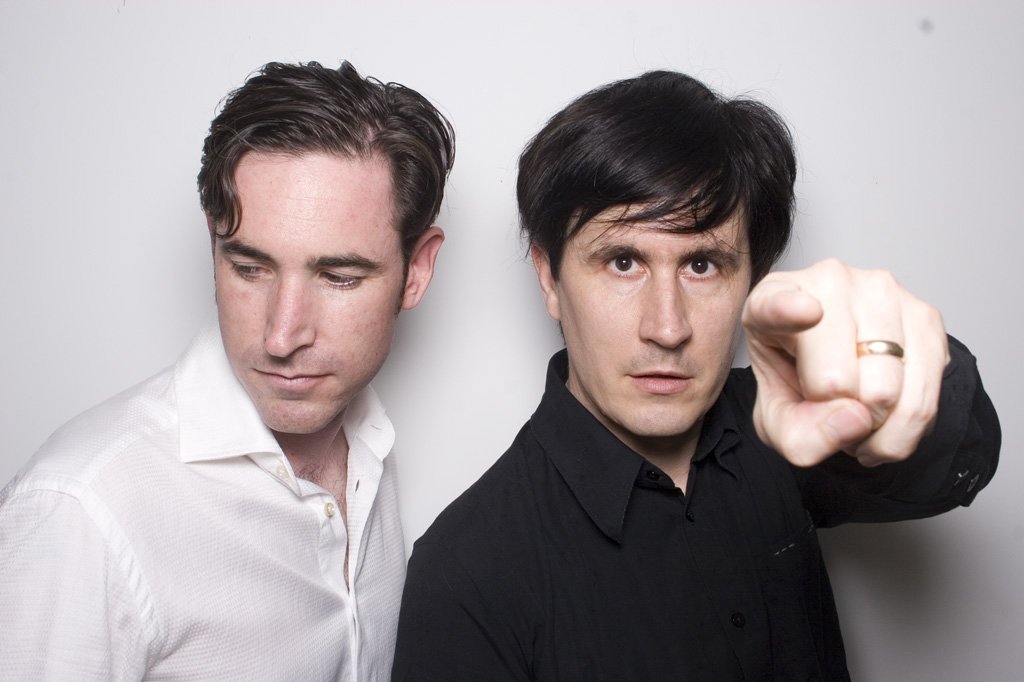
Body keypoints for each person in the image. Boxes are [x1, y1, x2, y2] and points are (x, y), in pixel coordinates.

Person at [391, 71, 999, 680]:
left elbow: (955, 463)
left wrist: (892, 370)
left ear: (753, 279)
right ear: (550, 279)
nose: (668, 326)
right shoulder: (465, 573)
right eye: (623, 262)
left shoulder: (785, 421)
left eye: (702, 264)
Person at [0, 60, 453, 681]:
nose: (282, 335)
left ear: (417, 271)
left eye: (338, 277)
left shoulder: (370, 451)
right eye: (249, 268)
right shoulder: (82, 512)